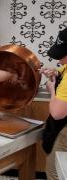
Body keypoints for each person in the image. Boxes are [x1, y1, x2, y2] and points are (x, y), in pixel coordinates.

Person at [41, 27, 67, 180]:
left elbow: (57, 113)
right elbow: (61, 70)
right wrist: (55, 74)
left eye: (62, 55)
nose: (58, 60)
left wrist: (52, 90)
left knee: (56, 171)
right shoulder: (65, 67)